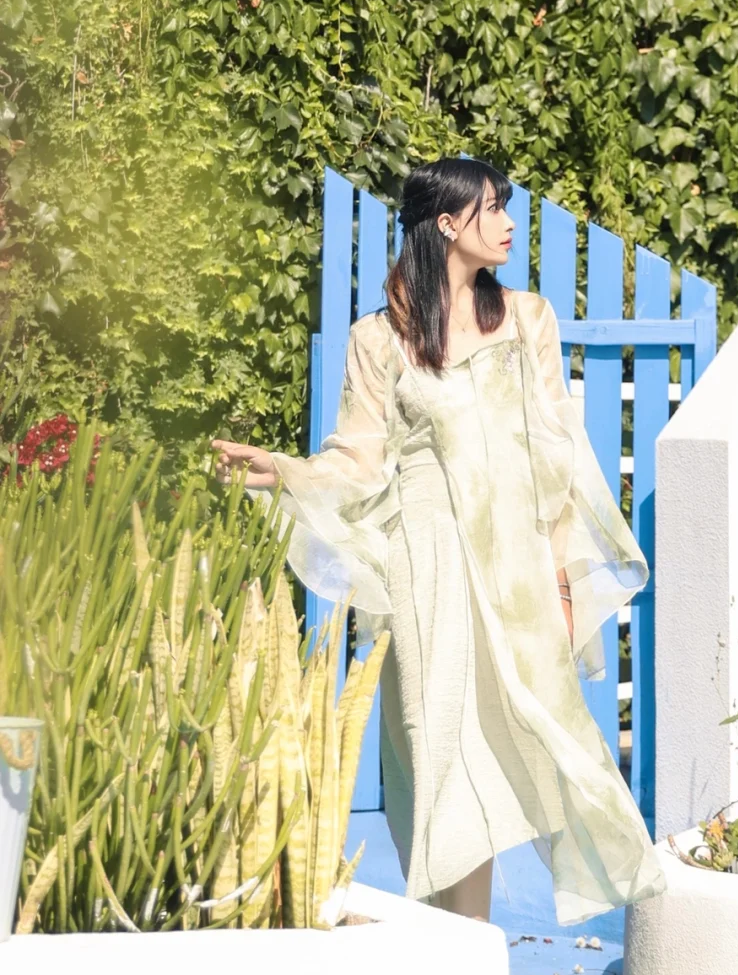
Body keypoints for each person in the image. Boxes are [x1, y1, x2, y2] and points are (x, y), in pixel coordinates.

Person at [210, 157, 667, 926]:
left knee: (541, 737)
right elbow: (358, 461)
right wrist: (281, 471)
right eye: (493, 208)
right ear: (448, 223)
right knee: (440, 753)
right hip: (424, 564)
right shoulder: (378, 338)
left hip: (515, 568)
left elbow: (557, 457)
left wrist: (560, 576)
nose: (510, 223)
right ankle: (460, 942)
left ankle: (478, 937)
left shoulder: (528, 320)